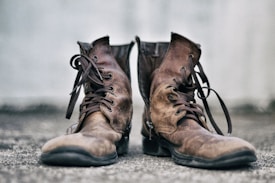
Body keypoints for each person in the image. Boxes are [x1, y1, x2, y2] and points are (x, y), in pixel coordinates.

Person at [40, 32, 257, 168]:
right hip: (107, 121)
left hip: (166, 122)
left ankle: (159, 127)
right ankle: (108, 122)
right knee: (104, 88)